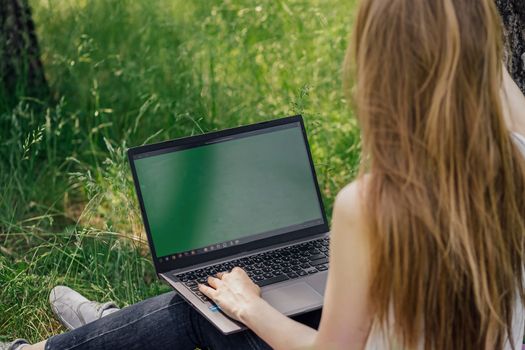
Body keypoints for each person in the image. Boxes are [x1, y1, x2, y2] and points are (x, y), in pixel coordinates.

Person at [3, 0, 525, 349]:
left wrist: (249, 306)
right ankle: (106, 326)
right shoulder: (518, 153)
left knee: (210, 313)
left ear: (375, 67)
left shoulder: (372, 205)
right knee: (231, 304)